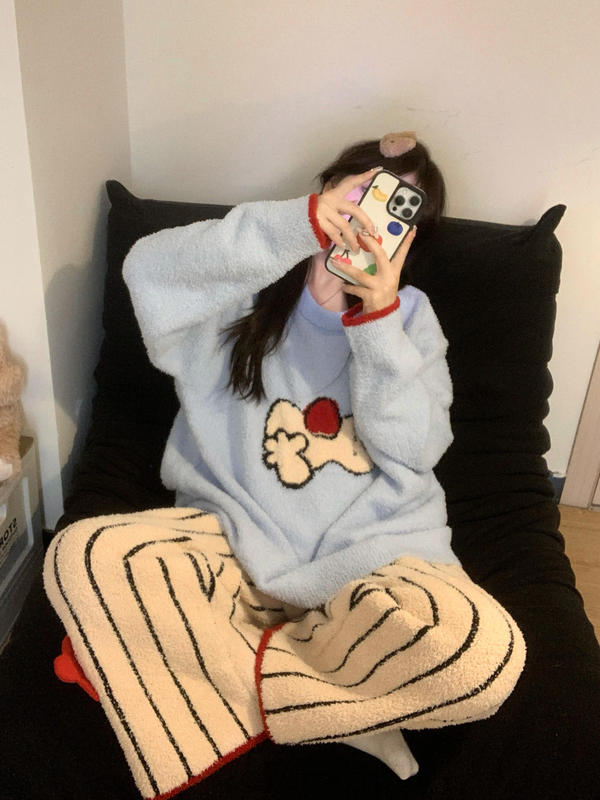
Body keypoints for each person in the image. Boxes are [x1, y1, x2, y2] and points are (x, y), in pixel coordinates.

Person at [43, 133, 526, 799]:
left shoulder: (411, 319)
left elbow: (417, 451)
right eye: (361, 192)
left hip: (373, 562)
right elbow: (147, 271)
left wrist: (378, 321)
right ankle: (340, 707)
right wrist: (293, 226)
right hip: (234, 549)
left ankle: (214, 681)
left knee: (487, 652)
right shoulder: (242, 288)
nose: (369, 217)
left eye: (396, 208)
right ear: (327, 189)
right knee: (83, 556)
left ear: (411, 236)